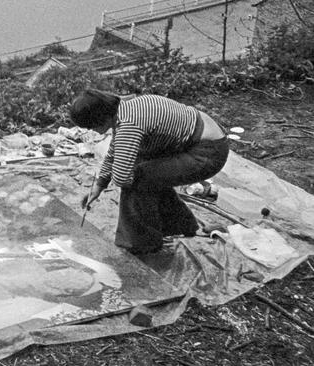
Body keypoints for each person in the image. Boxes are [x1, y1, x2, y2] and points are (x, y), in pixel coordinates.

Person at [71, 88, 229, 255]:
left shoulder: (129, 124)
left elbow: (122, 177)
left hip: (207, 154)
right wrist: (99, 185)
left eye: (90, 126)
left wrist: (121, 172)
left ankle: (142, 245)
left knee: (139, 177)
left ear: (100, 118)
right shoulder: (125, 108)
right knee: (145, 169)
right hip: (196, 140)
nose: (91, 130)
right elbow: (116, 149)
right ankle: (178, 225)